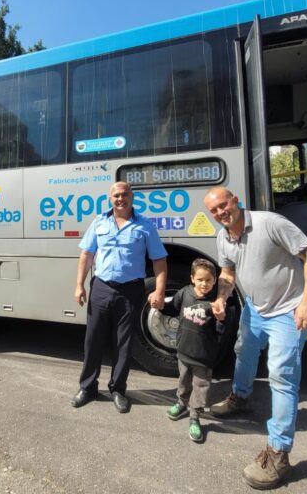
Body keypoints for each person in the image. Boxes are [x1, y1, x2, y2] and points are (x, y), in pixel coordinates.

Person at [203, 186, 307, 490]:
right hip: (255, 308)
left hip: (288, 311)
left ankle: (279, 453)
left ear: (235, 201)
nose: (220, 213)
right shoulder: (223, 236)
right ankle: (240, 398)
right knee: (244, 352)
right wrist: (221, 298)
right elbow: (228, 273)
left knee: (282, 376)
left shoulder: (271, 223)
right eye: (213, 210)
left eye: (223, 205)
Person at [71, 181, 168, 413]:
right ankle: (87, 387)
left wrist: (160, 291)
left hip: (130, 290)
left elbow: (159, 260)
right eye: (116, 195)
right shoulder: (99, 222)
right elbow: (86, 254)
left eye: (125, 194)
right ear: (110, 198)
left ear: (132, 197)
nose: (120, 199)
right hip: (102, 288)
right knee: (93, 339)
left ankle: (118, 389)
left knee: (123, 342)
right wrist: (79, 285)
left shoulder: (144, 226)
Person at [153, 258, 227, 443]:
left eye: (209, 280)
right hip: (184, 352)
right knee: (184, 381)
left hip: (204, 357)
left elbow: (222, 332)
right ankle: (181, 404)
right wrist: (159, 305)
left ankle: (195, 416)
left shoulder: (216, 302)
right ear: (192, 278)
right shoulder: (184, 293)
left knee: (200, 387)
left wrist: (221, 319)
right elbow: (171, 309)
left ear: (215, 281)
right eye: (200, 279)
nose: (204, 284)